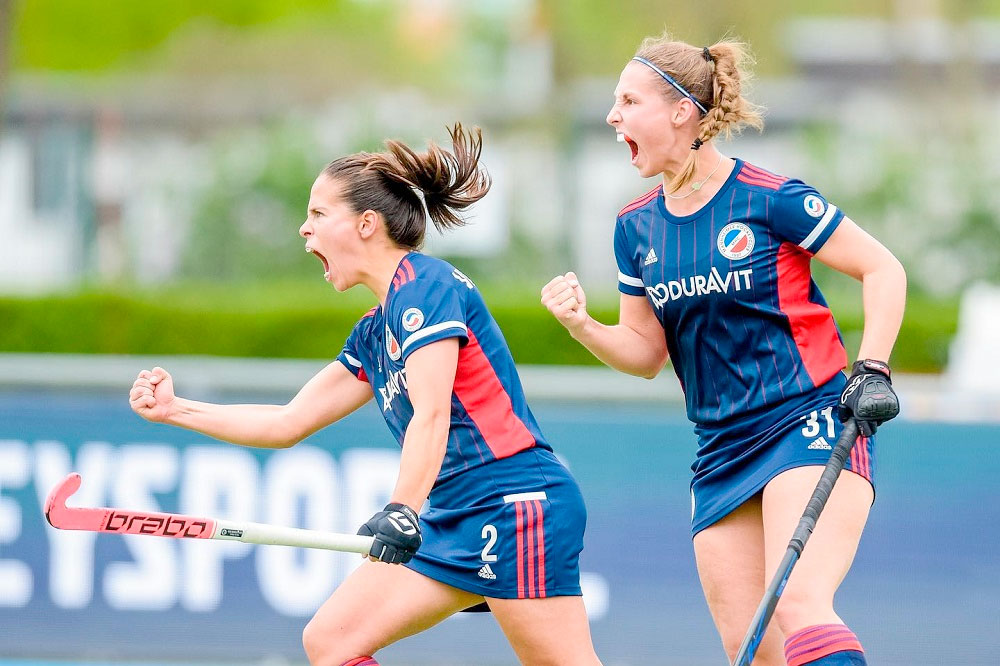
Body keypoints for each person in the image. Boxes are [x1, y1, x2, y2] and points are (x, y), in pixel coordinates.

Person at [129, 124, 602, 666]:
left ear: (366, 224)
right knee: (331, 642)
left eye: (318, 214)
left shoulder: (426, 286)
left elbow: (431, 413)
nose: (304, 230)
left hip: (515, 504)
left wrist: (402, 510)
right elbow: (288, 422)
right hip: (452, 517)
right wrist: (176, 409)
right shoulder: (374, 334)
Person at [541, 33, 904, 666]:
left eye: (628, 100)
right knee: (750, 648)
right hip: (719, 450)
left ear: (681, 110)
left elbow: (883, 269)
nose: (612, 115)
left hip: (807, 422)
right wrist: (582, 326)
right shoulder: (635, 227)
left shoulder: (771, 198)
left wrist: (871, 367)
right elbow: (644, 352)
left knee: (797, 606)